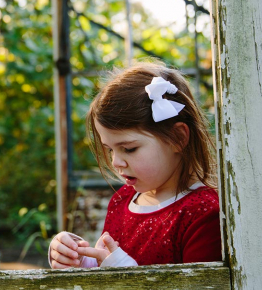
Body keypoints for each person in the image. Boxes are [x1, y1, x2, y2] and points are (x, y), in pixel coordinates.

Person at [49, 62, 221, 269]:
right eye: (110, 149)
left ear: (177, 138)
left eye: (129, 149)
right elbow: (105, 274)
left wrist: (125, 273)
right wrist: (78, 259)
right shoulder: (121, 200)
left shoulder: (203, 213)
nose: (115, 162)